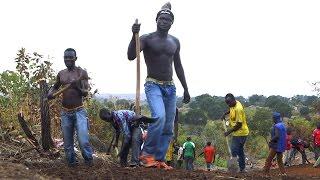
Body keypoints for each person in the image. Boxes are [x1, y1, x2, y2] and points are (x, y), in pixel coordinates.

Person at [127, 2, 190, 169]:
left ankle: (159, 159)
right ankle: (146, 155)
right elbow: (131, 55)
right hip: (153, 84)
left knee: (169, 125)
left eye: (167, 19)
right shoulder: (147, 38)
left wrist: (186, 88)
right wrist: (133, 36)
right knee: (159, 117)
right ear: (156, 20)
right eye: (161, 18)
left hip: (170, 87)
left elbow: (178, 66)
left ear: (172, 22)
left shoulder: (175, 41)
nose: (164, 21)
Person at [47, 48, 93, 167]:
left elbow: (85, 93)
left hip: (79, 111)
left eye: (70, 57)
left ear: (75, 58)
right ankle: (72, 164)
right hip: (65, 113)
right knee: (67, 143)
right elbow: (55, 87)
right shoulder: (61, 73)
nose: (67, 60)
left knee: (83, 140)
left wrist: (77, 86)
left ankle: (89, 161)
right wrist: (50, 93)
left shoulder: (81, 73)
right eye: (65, 57)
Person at [221, 93, 249, 173]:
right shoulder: (233, 104)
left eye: (229, 102)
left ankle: (233, 169)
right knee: (240, 151)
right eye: (227, 103)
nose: (228, 105)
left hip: (241, 133)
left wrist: (228, 132)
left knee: (234, 150)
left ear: (233, 100)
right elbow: (231, 109)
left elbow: (239, 125)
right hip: (237, 133)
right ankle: (242, 169)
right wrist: (225, 114)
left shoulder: (239, 108)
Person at [263, 112, 286, 176]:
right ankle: (283, 173)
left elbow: (277, 136)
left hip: (275, 145)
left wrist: (271, 141)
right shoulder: (282, 125)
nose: (272, 119)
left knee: (268, 159)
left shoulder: (276, 126)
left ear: (275, 118)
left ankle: (266, 174)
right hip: (281, 146)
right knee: (279, 160)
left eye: (273, 118)